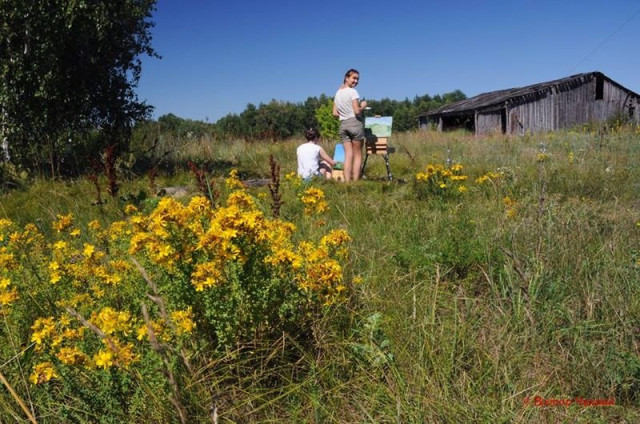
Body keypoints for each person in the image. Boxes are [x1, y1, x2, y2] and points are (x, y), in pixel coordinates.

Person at [333, 68, 367, 182]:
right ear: (346, 78)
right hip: (354, 123)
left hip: (343, 125)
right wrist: (363, 106)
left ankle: (347, 182)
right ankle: (355, 182)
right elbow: (357, 111)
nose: (356, 81)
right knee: (357, 155)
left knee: (348, 155)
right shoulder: (353, 92)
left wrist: (345, 112)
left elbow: (335, 113)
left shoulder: (338, 93)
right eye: (354, 78)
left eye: (357, 79)